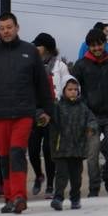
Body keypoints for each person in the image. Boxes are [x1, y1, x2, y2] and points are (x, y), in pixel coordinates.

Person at [0, 13, 53, 215]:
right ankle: (9, 197)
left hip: (23, 112)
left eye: (9, 27)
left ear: (17, 27)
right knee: (3, 156)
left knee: (17, 153)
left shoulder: (30, 51)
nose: (6, 31)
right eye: (2, 28)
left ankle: (19, 196)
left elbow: (42, 84)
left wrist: (48, 110)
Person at [72, 27, 108, 197]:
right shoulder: (80, 65)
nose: (97, 49)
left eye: (99, 45)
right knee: (92, 153)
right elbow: (74, 88)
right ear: (88, 46)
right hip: (91, 117)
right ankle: (94, 187)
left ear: (105, 43)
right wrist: (82, 106)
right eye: (93, 46)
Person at [30, 33, 70, 197]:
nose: (34, 48)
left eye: (37, 45)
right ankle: (39, 175)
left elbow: (65, 89)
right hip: (34, 112)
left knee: (48, 150)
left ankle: (51, 185)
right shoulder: (31, 65)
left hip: (53, 112)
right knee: (32, 150)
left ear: (46, 48)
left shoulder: (60, 67)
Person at [49, 77, 96, 210]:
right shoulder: (57, 107)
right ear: (64, 90)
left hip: (78, 148)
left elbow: (92, 120)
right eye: (70, 89)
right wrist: (43, 117)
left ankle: (75, 198)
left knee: (76, 177)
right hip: (61, 147)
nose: (73, 92)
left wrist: (91, 128)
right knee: (61, 175)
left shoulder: (83, 108)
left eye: (75, 89)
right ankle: (58, 198)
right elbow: (49, 117)